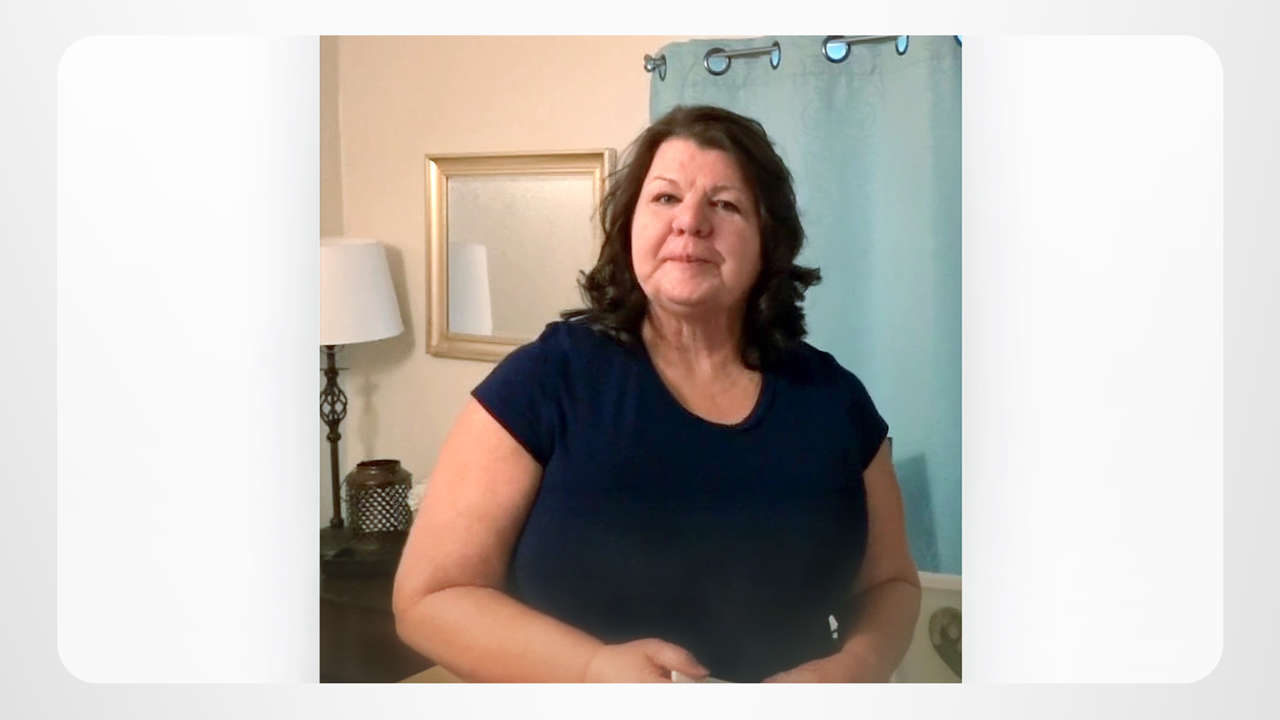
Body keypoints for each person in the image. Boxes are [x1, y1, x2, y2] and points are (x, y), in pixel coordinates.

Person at [392, 105, 921, 682]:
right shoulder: (545, 379)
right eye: (666, 198)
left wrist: (854, 669)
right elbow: (431, 597)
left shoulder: (835, 400)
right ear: (629, 227)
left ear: (767, 241)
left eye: (726, 204)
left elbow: (890, 584)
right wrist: (591, 670)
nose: (690, 222)